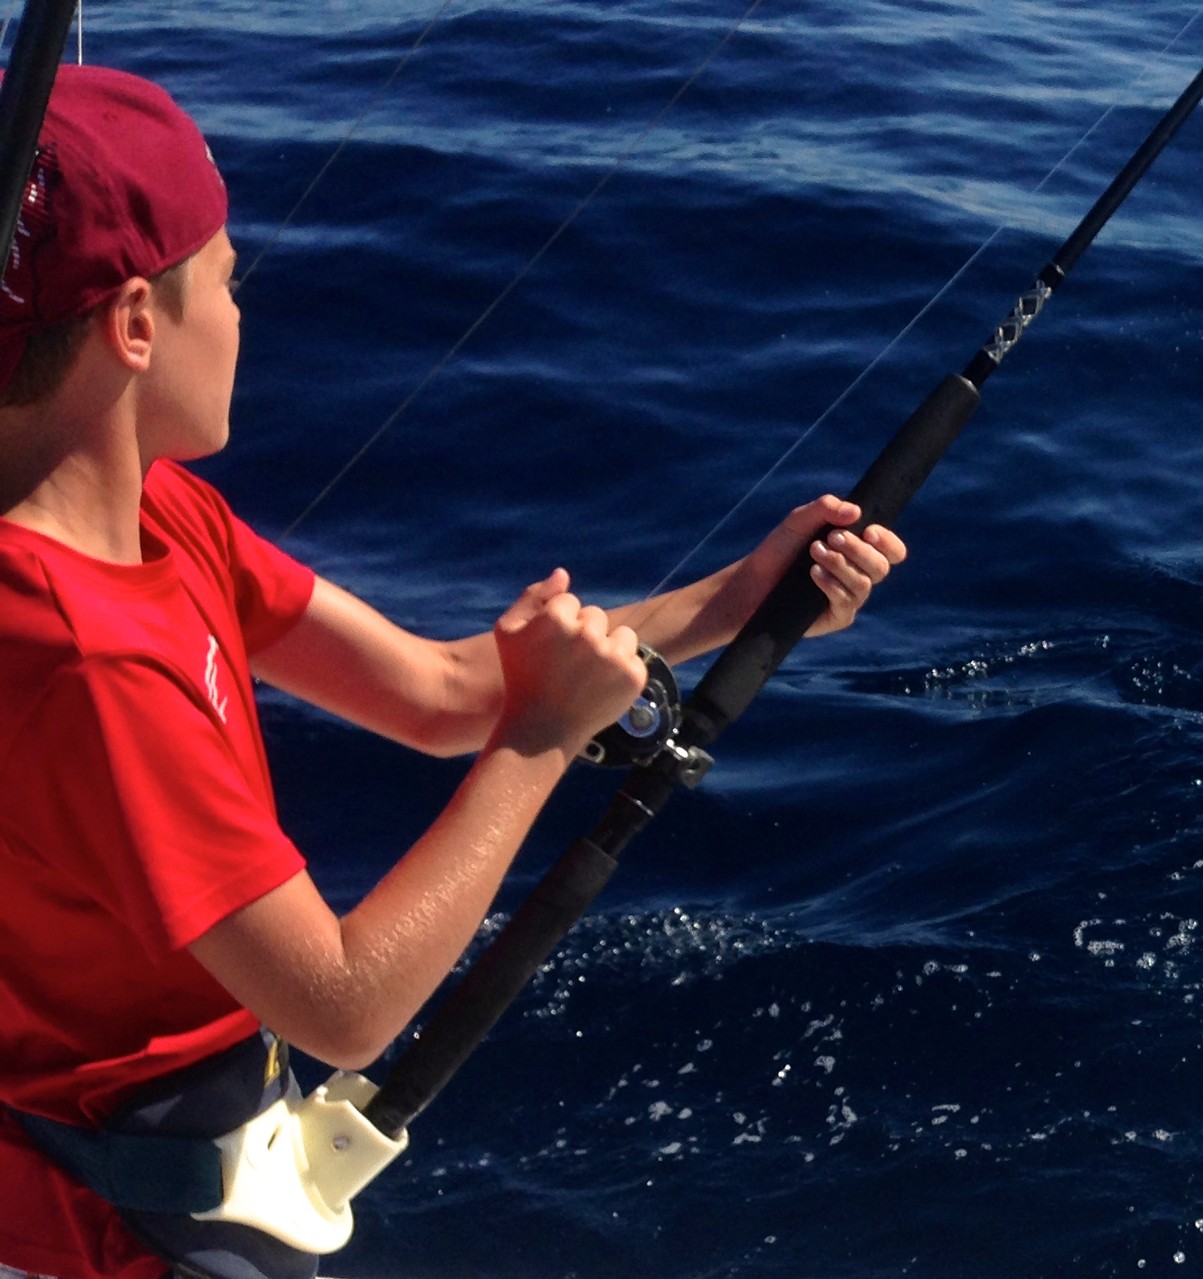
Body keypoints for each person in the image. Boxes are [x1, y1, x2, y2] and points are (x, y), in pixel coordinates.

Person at [0, 65, 907, 1279]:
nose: (240, 311)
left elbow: (430, 694)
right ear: (132, 325)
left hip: (184, 1159)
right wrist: (538, 739)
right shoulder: (77, 655)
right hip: (99, 1236)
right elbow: (343, 1003)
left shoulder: (159, 513)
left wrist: (726, 602)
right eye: (224, 280)